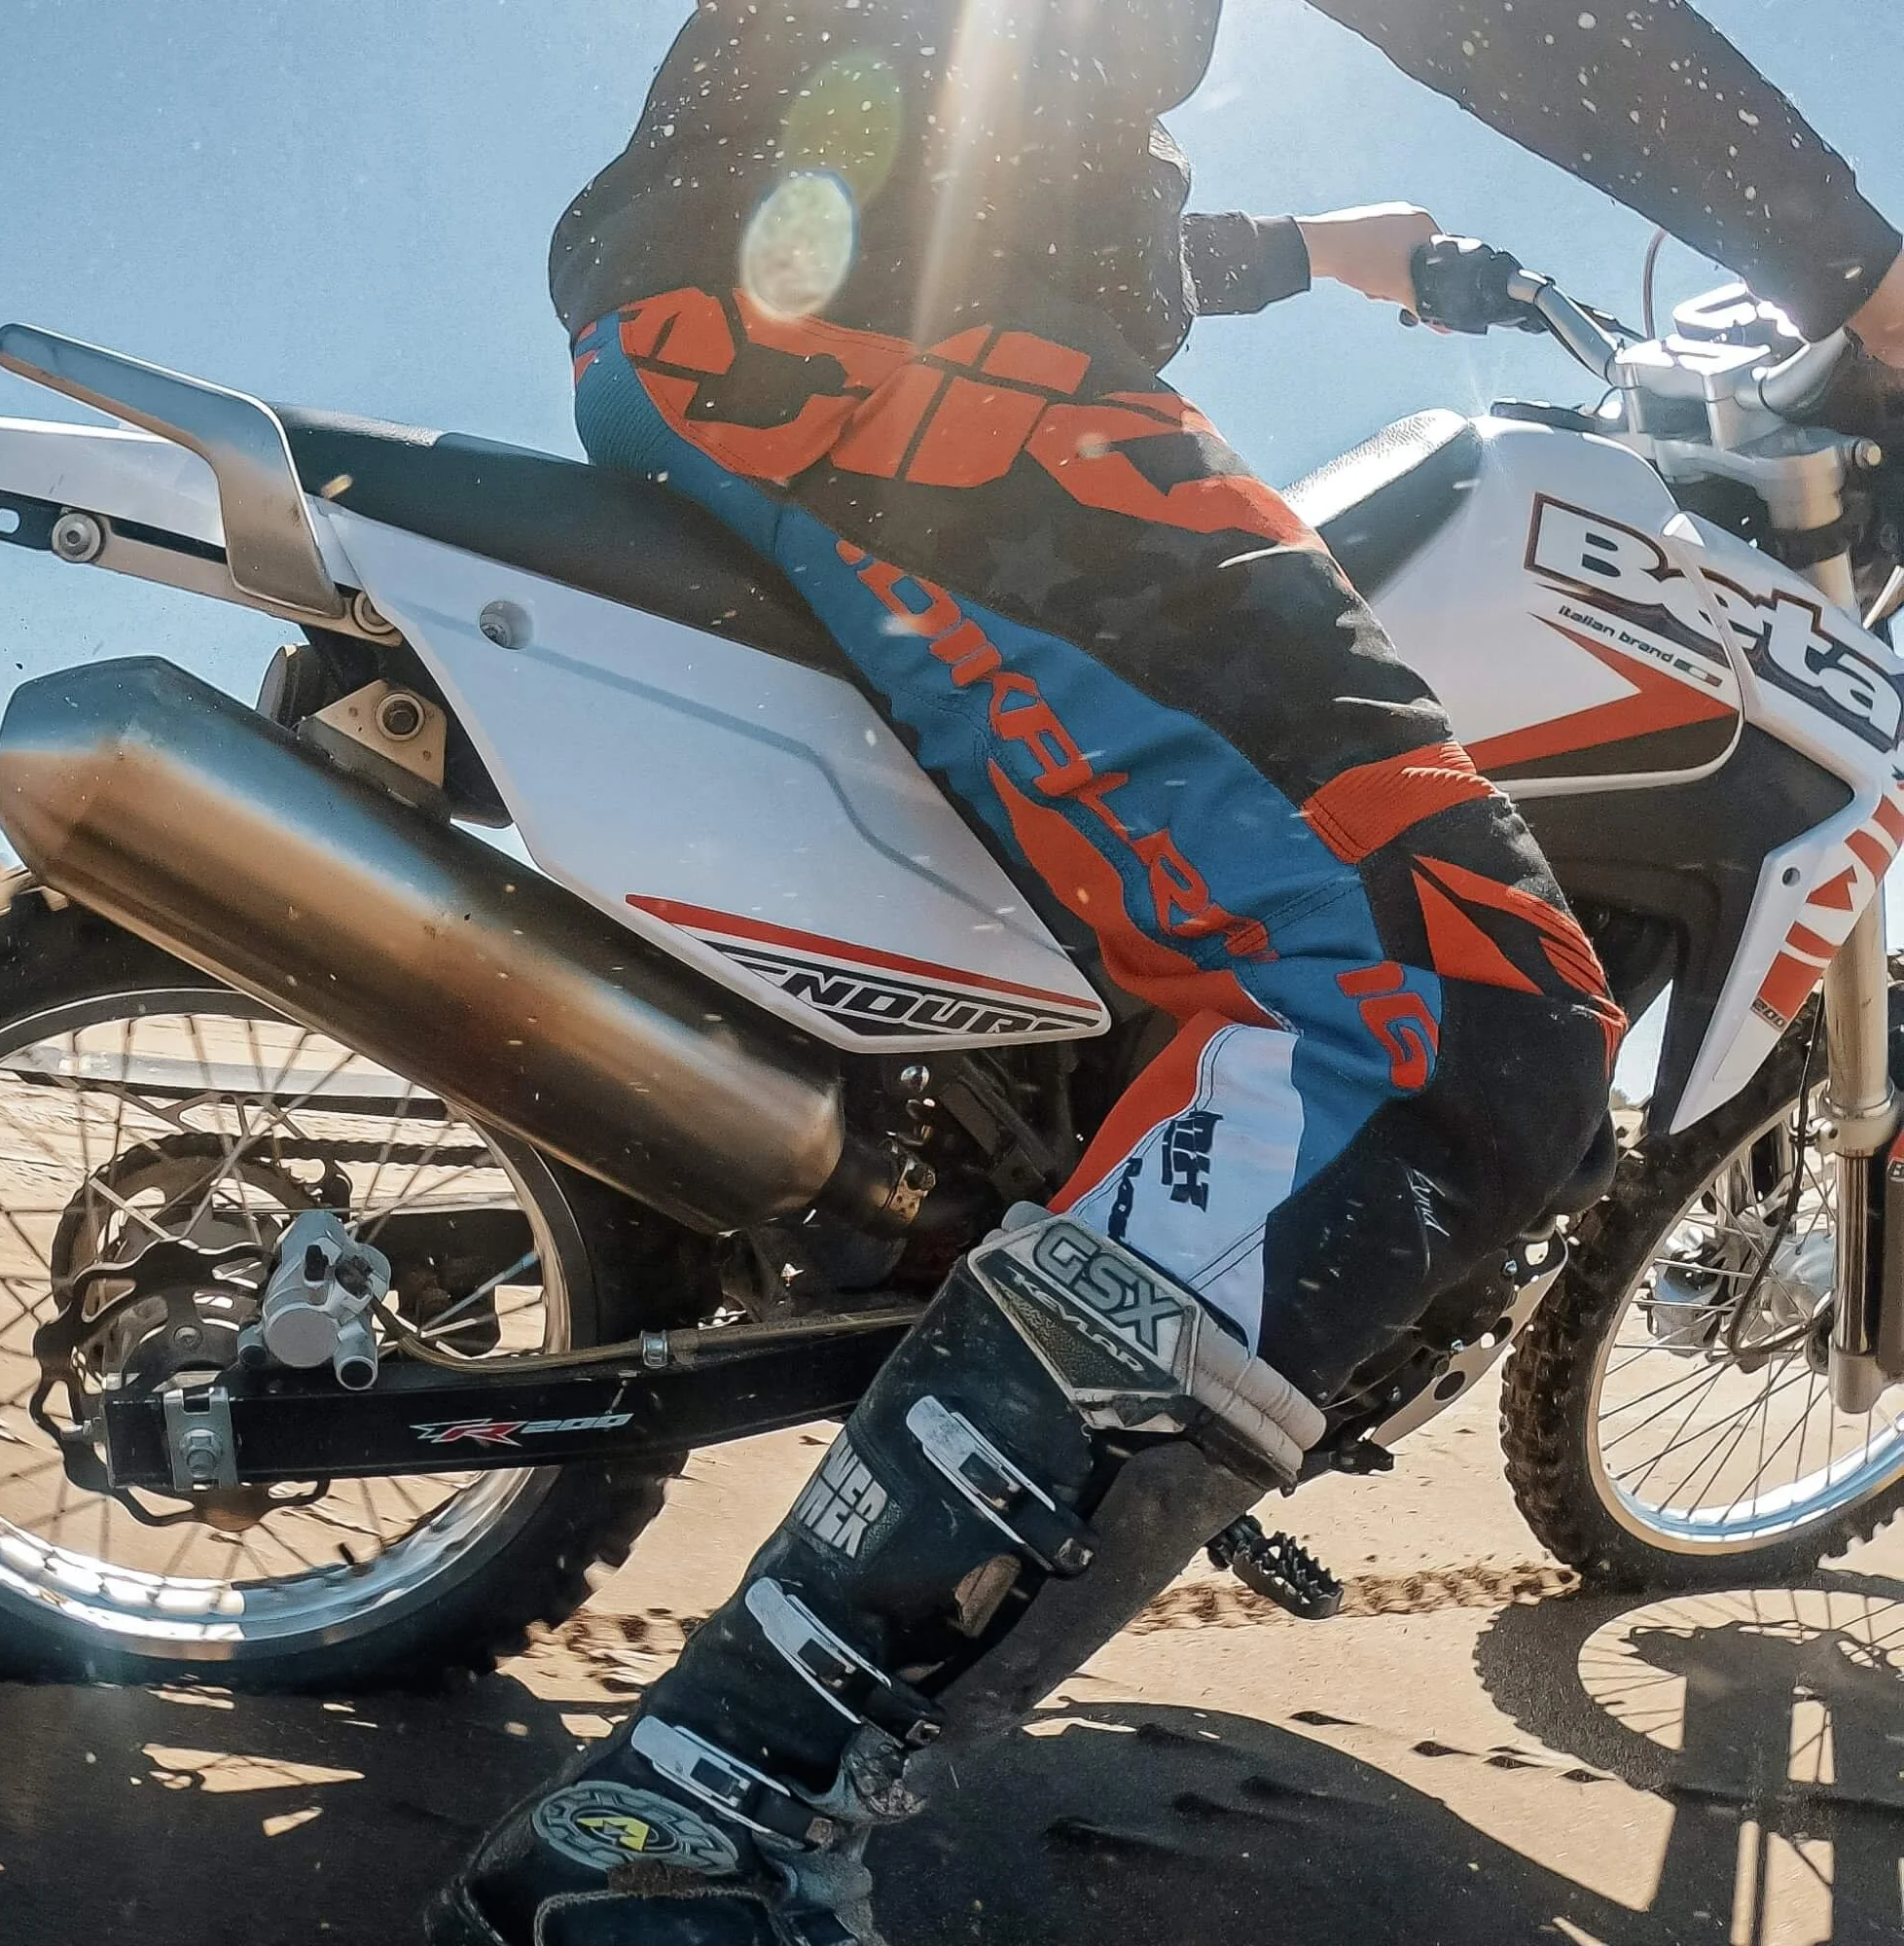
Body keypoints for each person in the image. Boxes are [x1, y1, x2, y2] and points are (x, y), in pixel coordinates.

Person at [432, 6, 1904, 1941]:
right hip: (888, 343)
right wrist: (1852, 271)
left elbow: (959, 148)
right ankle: (693, 1820)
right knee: (1443, 1019)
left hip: (781, 305)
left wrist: (1318, 253)